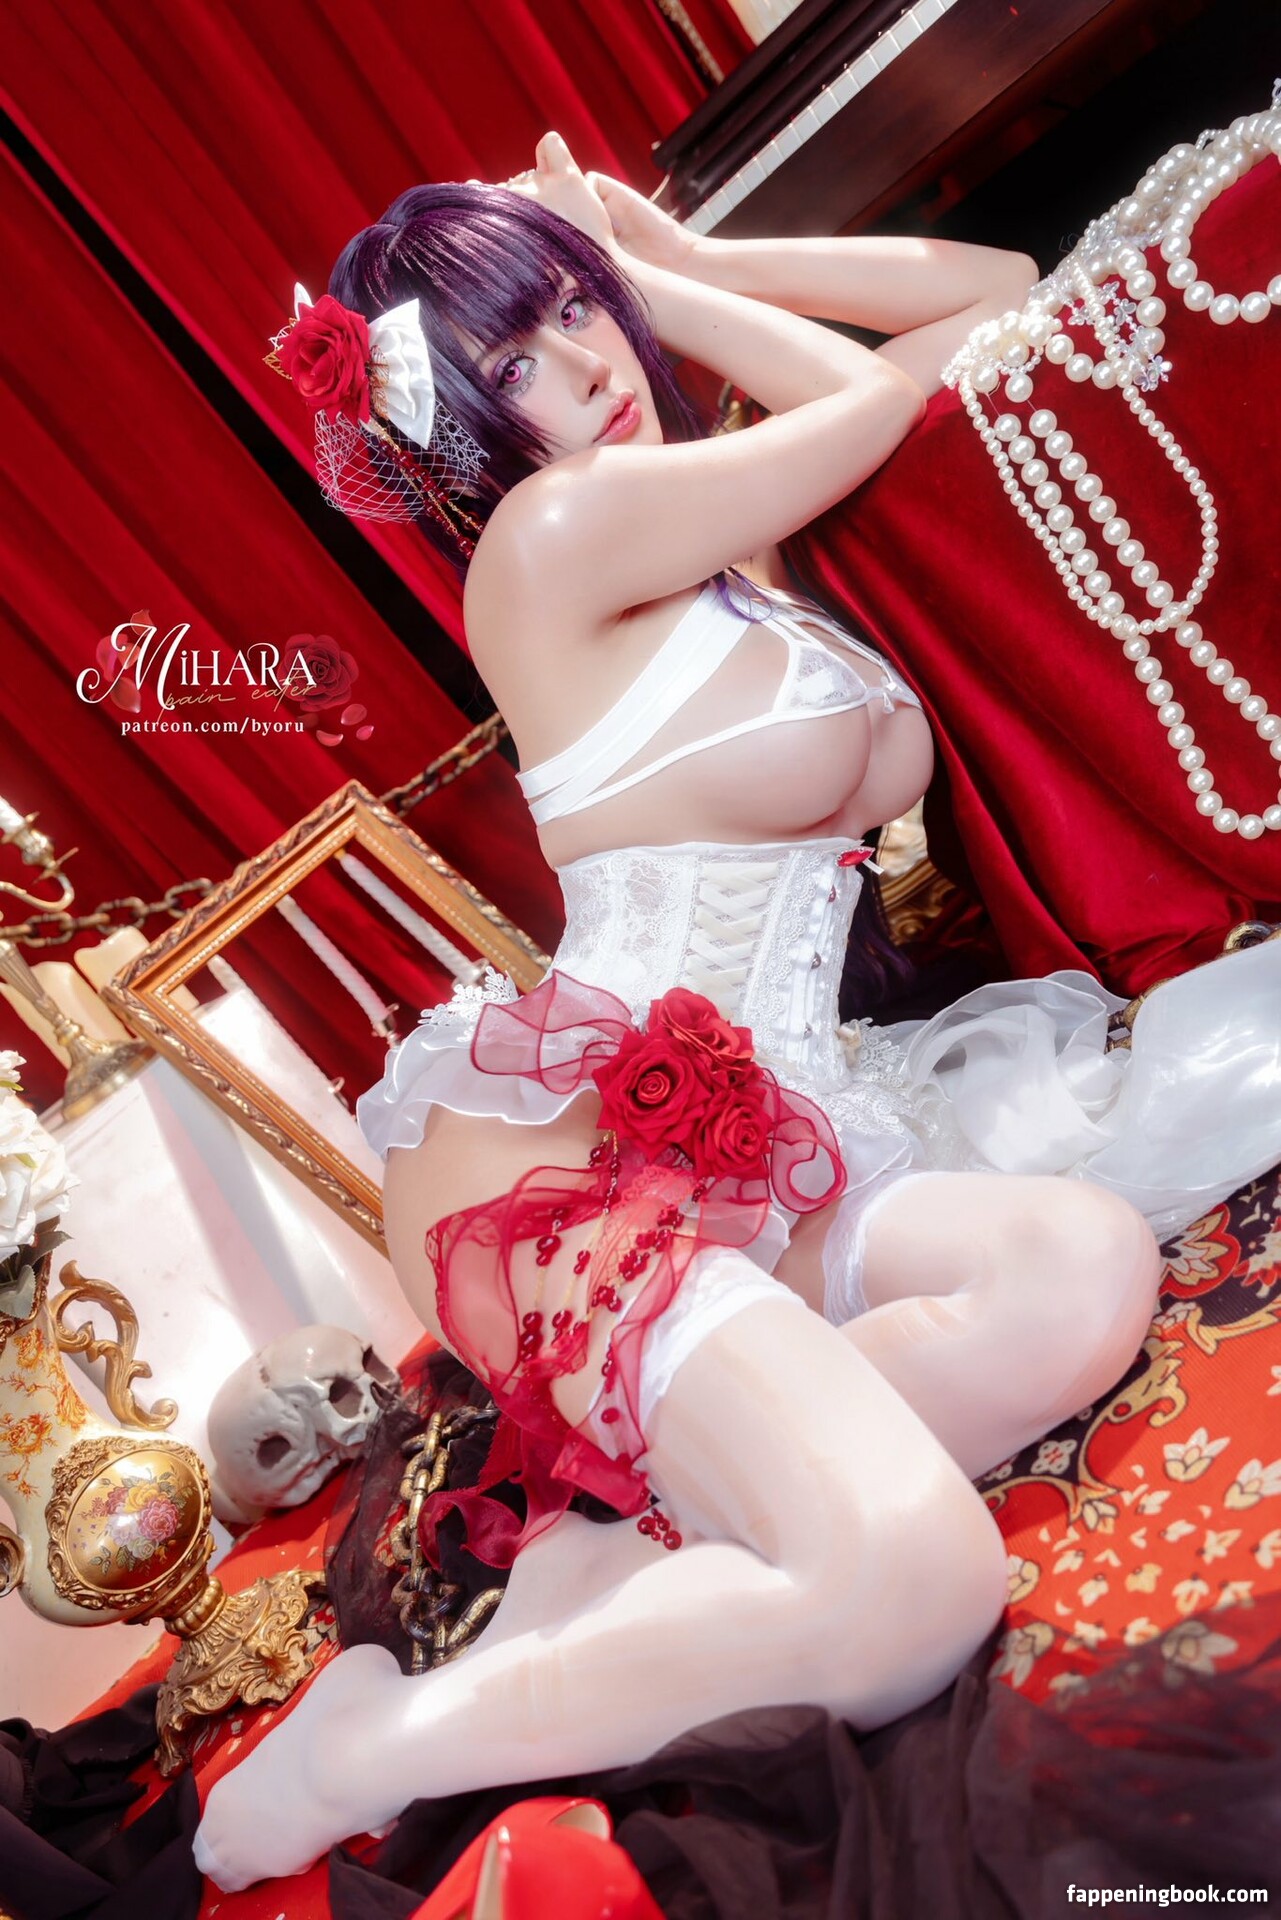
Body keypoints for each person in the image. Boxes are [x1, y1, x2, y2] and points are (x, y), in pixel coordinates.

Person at [196, 133, 1281, 1891]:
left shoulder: (716, 541)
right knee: (912, 1596)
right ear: (458, 431)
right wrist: (639, 293)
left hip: (776, 1137)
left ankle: (645, 1558)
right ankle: (378, 1739)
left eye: (571, 313)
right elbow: (874, 397)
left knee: (1079, 1267)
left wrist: (676, 256)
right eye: (510, 368)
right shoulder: (552, 535)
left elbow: (988, 305)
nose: (580, 371)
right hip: (570, 1167)